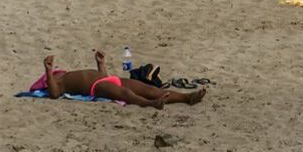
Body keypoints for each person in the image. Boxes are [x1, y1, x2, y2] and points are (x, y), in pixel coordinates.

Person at [39, 52, 206, 108]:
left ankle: (186, 98)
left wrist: (100, 63)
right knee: (125, 94)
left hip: (108, 79)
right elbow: (54, 94)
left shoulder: (63, 75)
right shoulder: (57, 83)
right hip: (96, 87)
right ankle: (150, 104)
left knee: (150, 89)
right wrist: (48, 70)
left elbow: (102, 76)